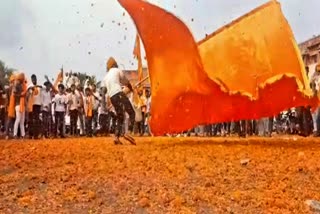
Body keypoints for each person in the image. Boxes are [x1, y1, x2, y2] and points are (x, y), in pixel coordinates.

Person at [103, 57, 136, 145]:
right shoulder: (117, 70)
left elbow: (104, 90)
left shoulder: (105, 77)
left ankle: (116, 137)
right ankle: (128, 132)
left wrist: (104, 104)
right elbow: (125, 81)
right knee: (132, 113)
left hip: (112, 97)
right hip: (119, 94)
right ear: (115, 64)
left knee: (120, 117)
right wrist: (130, 87)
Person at [27, 74, 42, 139]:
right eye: (32, 79)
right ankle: (30, 134)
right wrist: (32, 88)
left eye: (35, 78)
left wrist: (37, 86)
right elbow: (29, 92)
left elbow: (42, 87)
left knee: (37, 120)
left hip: (38, 104)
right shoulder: (30, 86)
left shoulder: (39, 86)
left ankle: (36, 135)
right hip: (31, 105)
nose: (34, 80)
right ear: (31, 79)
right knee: (30, 120)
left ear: (36, 79)